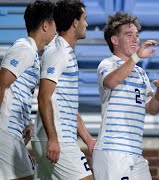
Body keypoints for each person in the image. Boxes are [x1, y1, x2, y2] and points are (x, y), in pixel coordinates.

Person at [91, 12, 159, 180]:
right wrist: (136, 56)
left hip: (135, 151)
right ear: (115, 40)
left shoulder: (140, 72)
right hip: (112, 150)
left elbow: (152, 109)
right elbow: (111, 82)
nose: (135, 40)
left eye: (137, 35)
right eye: (129, 35)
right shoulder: (107, 63)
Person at [31, 0, 95, 179]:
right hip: (57, 140)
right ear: (75, 22)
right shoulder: (57, 52)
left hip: (56, 138)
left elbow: (67, 106)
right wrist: (53, 138)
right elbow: (43, 97)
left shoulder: (66, 53)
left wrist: (88, 139)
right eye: (84, 19)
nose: (86, 24)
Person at [0, 1, 56, 179]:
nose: (57, 30)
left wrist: (24, 124)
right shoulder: (25, 49)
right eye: (56, 24)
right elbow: (1, 83)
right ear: (45, 26)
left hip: (12, 130)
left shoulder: (31, 52)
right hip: (5, 129)